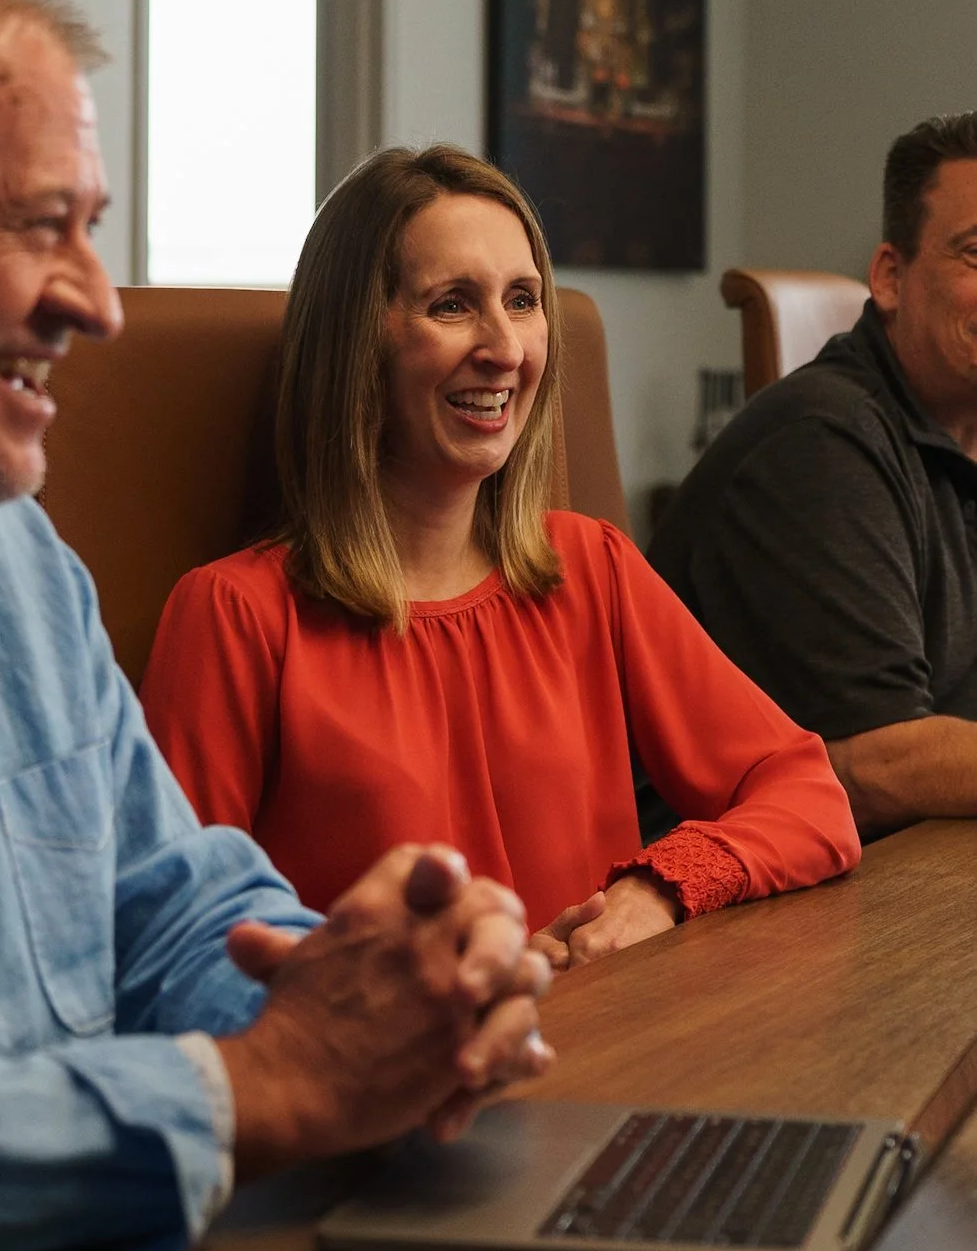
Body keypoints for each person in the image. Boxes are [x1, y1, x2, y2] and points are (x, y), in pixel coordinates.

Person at [0, 0, 552, 1251]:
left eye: (93, 229)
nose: (97, 305)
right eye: (39, 225)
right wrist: (255, 1091)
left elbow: (172, 906)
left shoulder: (21, 568)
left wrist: (394, 1002)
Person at [141, 145, 859, 969]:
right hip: (394, 1083)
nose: (506, 349)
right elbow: (178, 950)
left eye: (523, 301)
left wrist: (658, 886)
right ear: (355, 343)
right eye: (452, 304)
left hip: (614, 1063)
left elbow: (808, 795)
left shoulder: (592, 567)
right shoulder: (235, 616)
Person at [649, 113, 977, 840]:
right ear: (891, 277)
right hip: (705, 909)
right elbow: (880, 762)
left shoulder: (962, 428)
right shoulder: (822, 446)